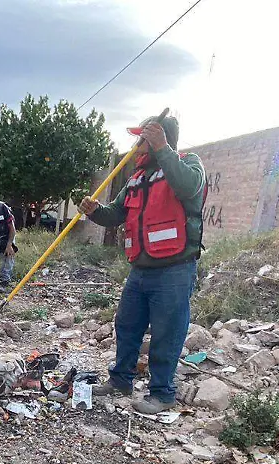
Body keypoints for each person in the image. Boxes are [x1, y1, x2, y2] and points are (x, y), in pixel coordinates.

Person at [79, 115, 206, 415]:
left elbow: (190, 188)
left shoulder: (188, 164)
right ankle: (120, 380)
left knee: (166, 331)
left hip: (175, 268)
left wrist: (164, 150)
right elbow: (116, 213)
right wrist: (96, 211)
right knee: (126, 324)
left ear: (160, 138)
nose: (137, 147)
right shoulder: (136, 178)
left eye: (143, 140)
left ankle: (162, 394)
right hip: (141, 269)